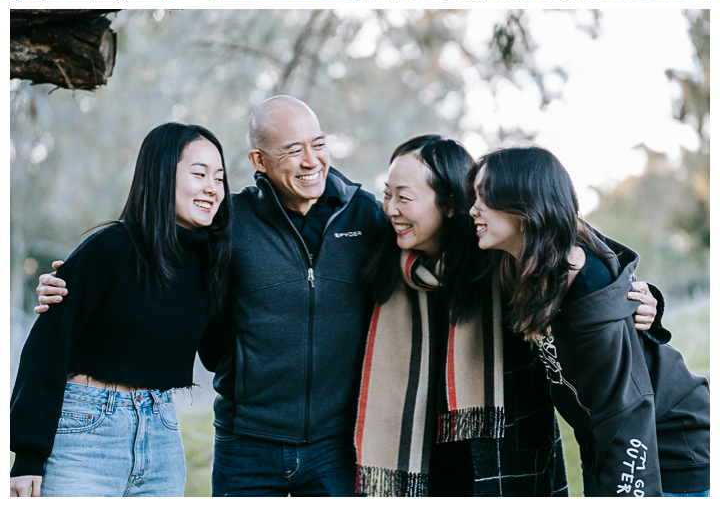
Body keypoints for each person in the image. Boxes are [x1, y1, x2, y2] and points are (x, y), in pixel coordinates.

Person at [36, 96, 386, 497]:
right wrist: (70, 280)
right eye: (293, 150)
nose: (311, 160)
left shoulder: (366, 216)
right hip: (246, 444)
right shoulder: (229, 222)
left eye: (318, 144)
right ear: (259, 160)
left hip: (336, 445)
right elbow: (161, 254)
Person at [355, 134, 659, 497]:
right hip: (418, 464)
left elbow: (576, 246)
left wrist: (644, 299)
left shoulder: (498, 252)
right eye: (386, 195)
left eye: (404, 197)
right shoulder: (384, 262)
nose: (390, 208)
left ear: (451, 203)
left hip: (506, 459)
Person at [469, 147, 710, 497]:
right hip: (605, 443)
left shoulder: (588, 295)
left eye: (483, 197)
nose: (472, 209)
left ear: (524, 205)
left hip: (667, 450)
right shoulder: (534, 259)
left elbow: (626, 413)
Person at [11, 123, 231, 497]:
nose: (213, 187)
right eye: (199, 174)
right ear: (161, 175)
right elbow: (48, 345)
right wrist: (29, 455)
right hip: (86, 433)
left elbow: (215, 353)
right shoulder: (111, 248)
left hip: (162, 435)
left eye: (220, 178)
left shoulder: (210, 264)